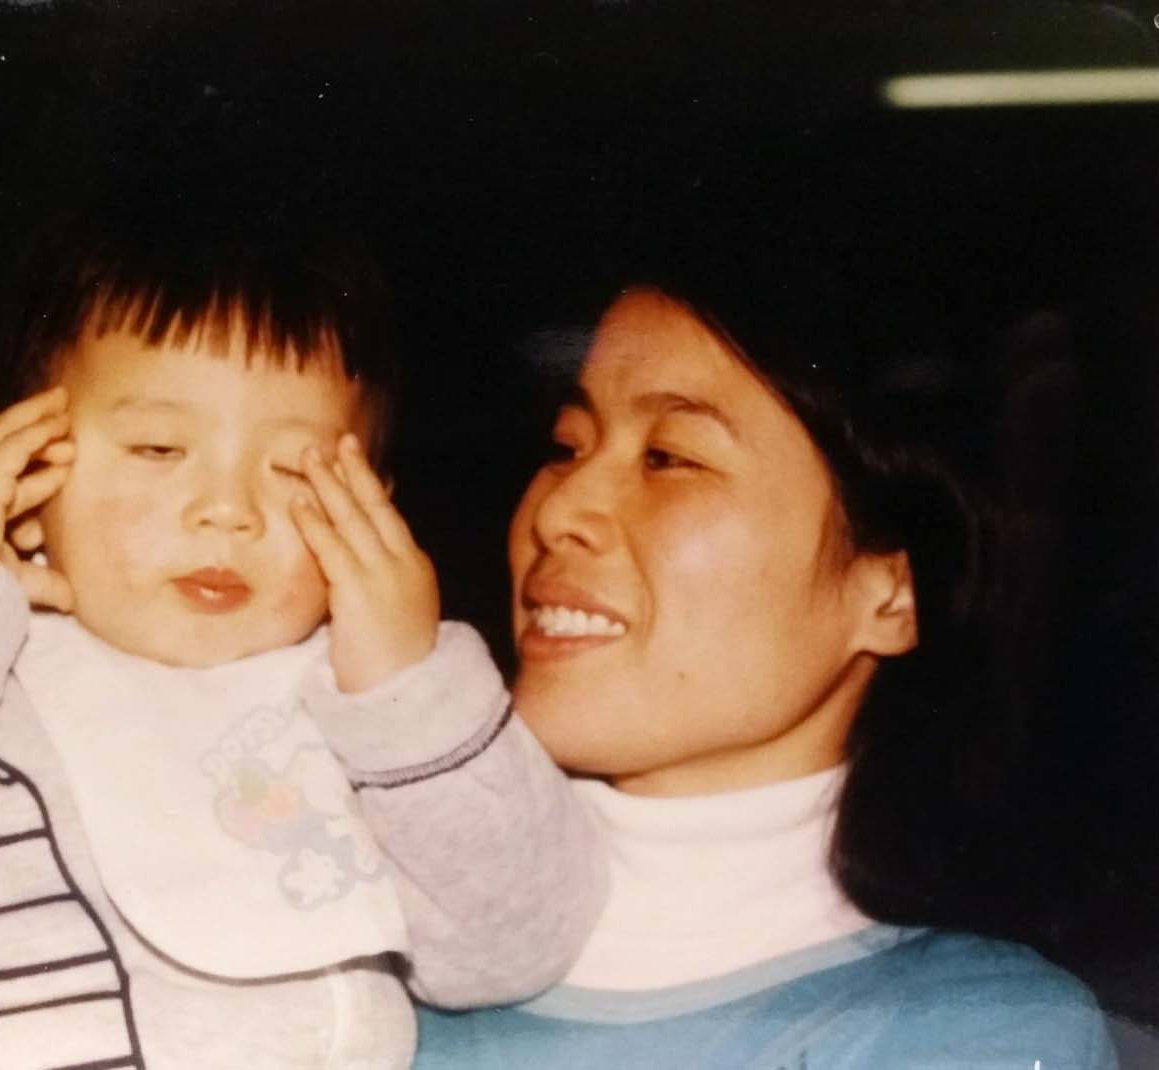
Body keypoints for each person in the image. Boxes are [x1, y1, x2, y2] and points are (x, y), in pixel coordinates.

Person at [0, 204, 602, 1070]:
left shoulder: (382, 722)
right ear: (26, 474)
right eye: (159, 449)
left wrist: (409, 689)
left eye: (294, 469)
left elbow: (511, 952)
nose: (227, 510)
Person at [415, 262, 1120, 1068]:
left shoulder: (972, 1033)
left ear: (891, 592)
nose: (559, 508)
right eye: (567, 446)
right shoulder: (335, 949)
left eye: (669, 457)